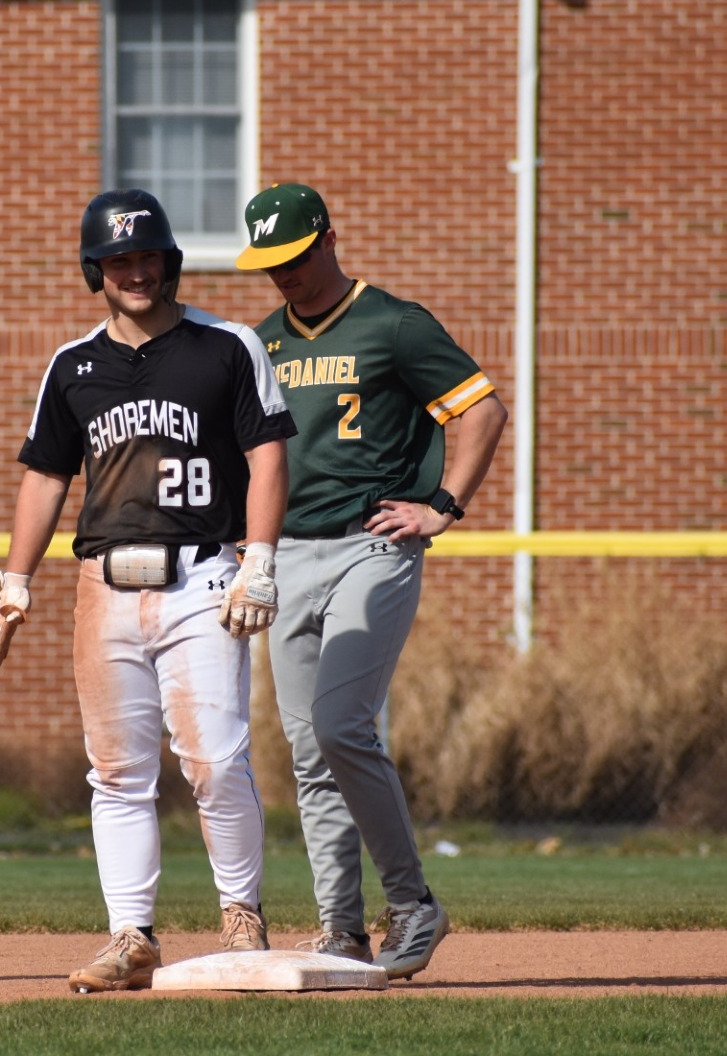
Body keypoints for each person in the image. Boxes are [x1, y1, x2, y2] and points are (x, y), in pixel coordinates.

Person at [0, 189, 296, 993]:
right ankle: (131, 936)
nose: (136, 272)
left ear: (170, 262)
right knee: (118, 772)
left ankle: (242, 914)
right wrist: (16, 577)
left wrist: (261, 559)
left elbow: (267, 456)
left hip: (202, 577)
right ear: (95, 269)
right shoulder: (73, 365)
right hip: (105, 586)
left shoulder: (226, 346)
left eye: (147, 256)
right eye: (118, 259)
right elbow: (45, 476)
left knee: (215, 762)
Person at [234, 182, 508, 981]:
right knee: (309, 750)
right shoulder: (261, 343)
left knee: (341, 724)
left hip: (370, 545)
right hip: (286, 554)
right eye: (270, 263)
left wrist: (443, 506)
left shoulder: (392, 322)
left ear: (328, 239)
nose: (283, 274)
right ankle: (342, 930)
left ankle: (414, 904)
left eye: (294, 255)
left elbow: (483, 411)